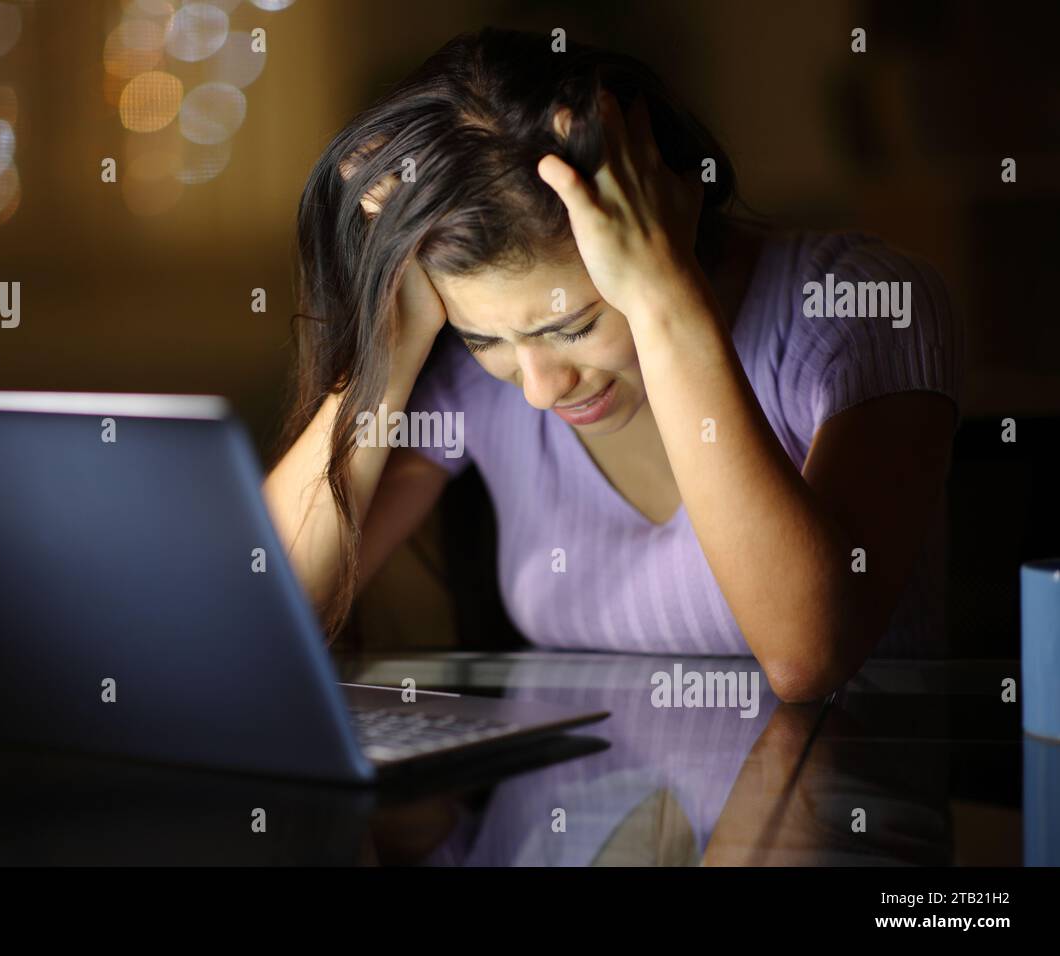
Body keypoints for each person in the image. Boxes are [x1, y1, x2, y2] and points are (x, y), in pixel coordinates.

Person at [262, 27, 963, 702]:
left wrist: (666, 298)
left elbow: (807, 653)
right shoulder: (466, 378)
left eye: (573, 325)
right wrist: (391, 349)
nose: (538, 389)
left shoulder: (860, 307)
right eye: (487, 341)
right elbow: (265, 621)